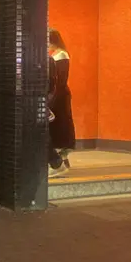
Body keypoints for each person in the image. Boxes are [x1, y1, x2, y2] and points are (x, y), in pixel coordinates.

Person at [48, 30, 75, 173]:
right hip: (56, 94)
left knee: (60, 124)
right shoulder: (57, 54)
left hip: (59, 95)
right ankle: (60, 159)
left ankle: (60, 158)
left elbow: (60, 81)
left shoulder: (61, 55)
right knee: (57, 125)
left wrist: (52, 99)